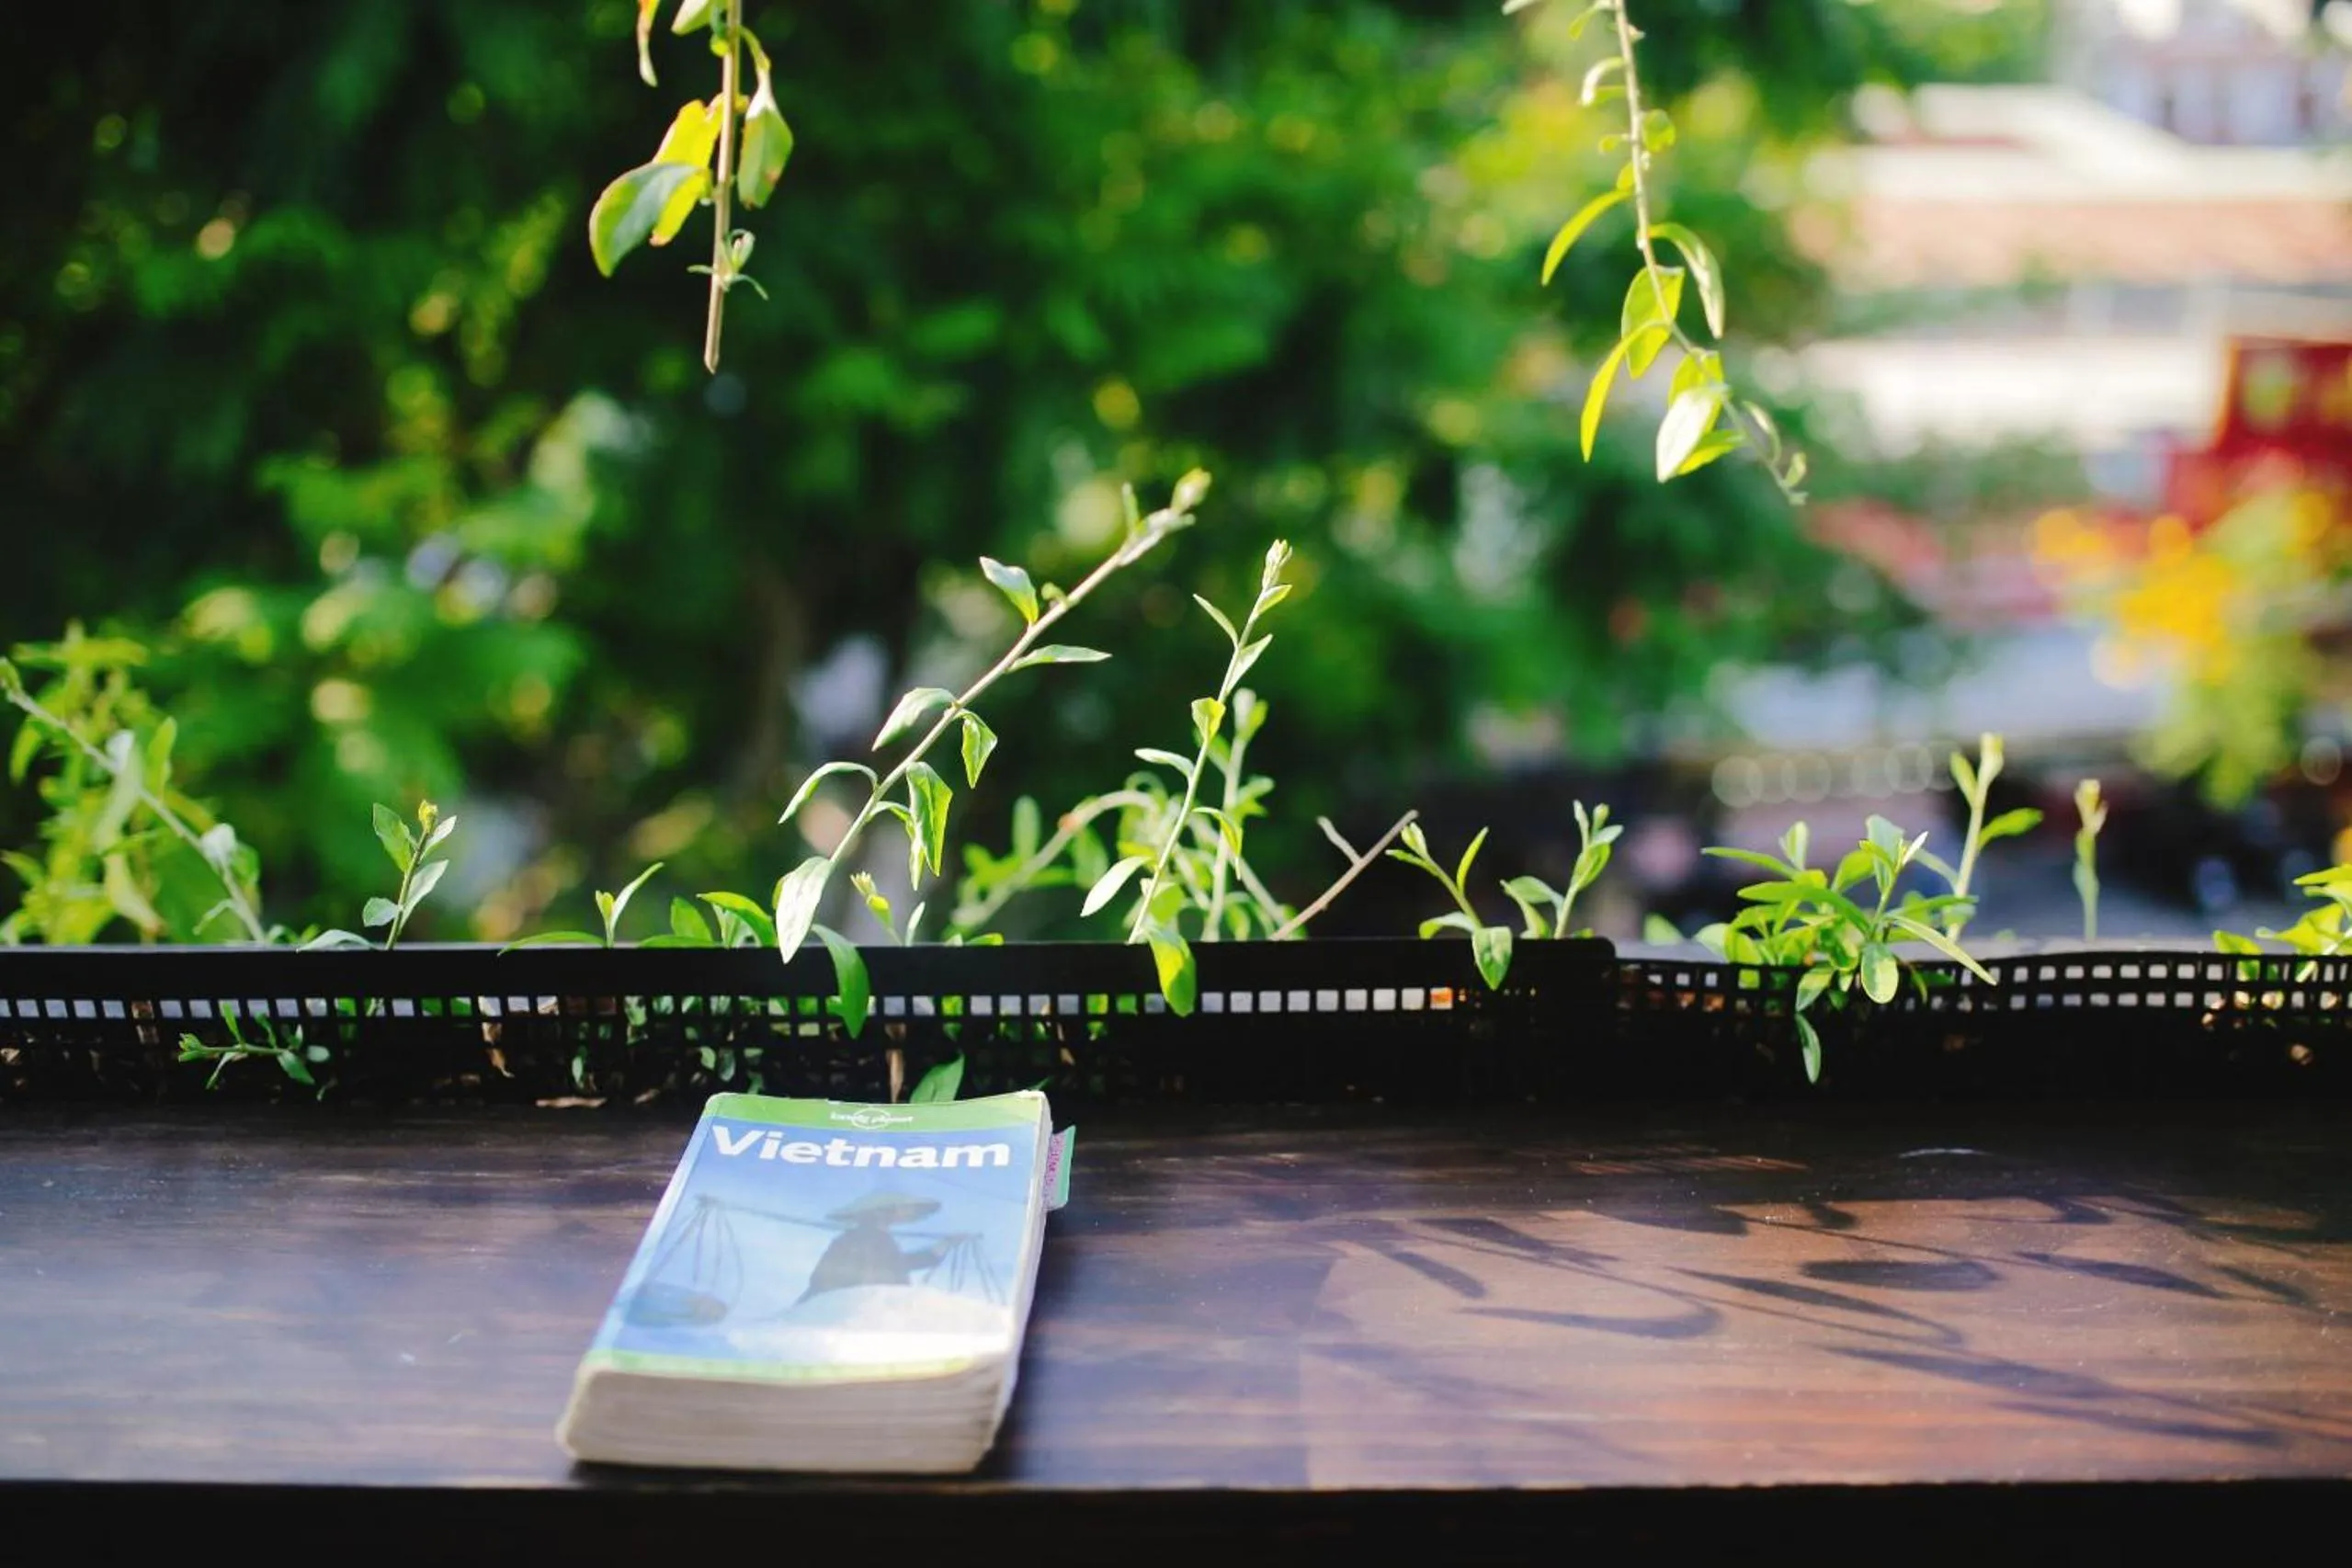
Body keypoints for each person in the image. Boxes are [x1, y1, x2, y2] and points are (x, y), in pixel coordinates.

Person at [800, 1191, 948, 1300]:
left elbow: (894, 1263)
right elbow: (893, 1265)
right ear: (882, 1213)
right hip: (856, 1307)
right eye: (902, 1210)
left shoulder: (862, 1238)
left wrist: (941, 1248)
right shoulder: (868, 1239)